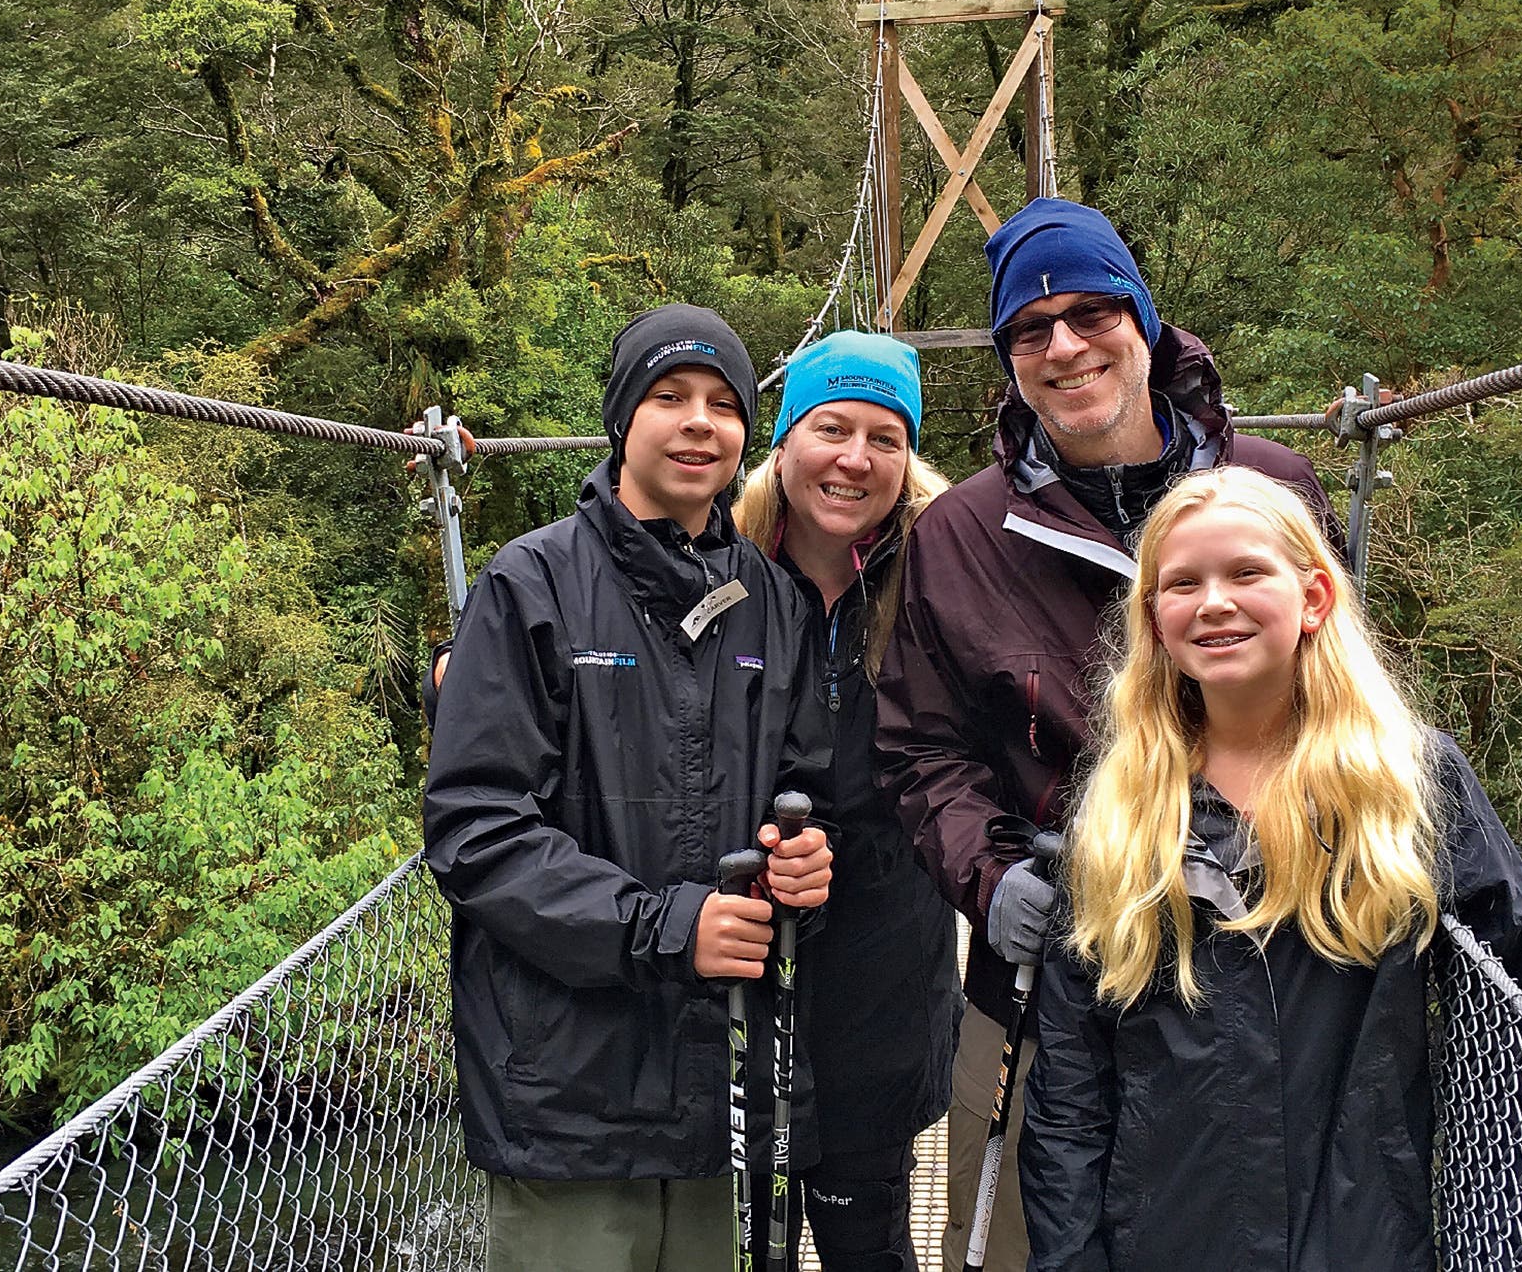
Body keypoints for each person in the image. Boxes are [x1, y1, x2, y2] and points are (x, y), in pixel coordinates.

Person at [875, 197, 1337, 1270]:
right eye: (1030, 332)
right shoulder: (961, 535)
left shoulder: (1273, 487)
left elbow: (1341, 695)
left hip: (1269, 961)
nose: (1065, 347)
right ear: (1007, 361)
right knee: (1012, 1244)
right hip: (1049, 974)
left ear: (1146, 320)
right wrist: (991, 884)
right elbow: (919, 749)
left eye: (1092, 313)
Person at [1017, 466, 1522, 1270]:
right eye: (1182, 584)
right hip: (1164, 1234)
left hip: (1363, 1232)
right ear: (1155, 620)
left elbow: (1519, 1029)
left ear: (1314, 599)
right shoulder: (1120, 804)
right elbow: (1070, 1074)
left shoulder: (1407, 783)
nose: (1213, 602)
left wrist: (1497, 1242)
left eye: (1246, 573)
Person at [422, 303, 837, 1272]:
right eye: (669, 397)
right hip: (567, 1090)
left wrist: (808, 869)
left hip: (714, 1083)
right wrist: (665, 927)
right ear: (621, 419)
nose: (699, 422)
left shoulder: (772, 603)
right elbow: (474, 831)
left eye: (723, 405)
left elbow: (803, 787)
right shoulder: (531, 585)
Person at [732, 331, 959, 1271]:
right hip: (742, 952)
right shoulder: (713, 564)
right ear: (783, 442)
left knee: (869, 1228)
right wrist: (460, 659)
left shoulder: (949, 568)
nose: (854, 459)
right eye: (830, 427)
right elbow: (583, 622)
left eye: (884, 436)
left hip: (887, 964)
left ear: (908, 458)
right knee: (748, 1237)